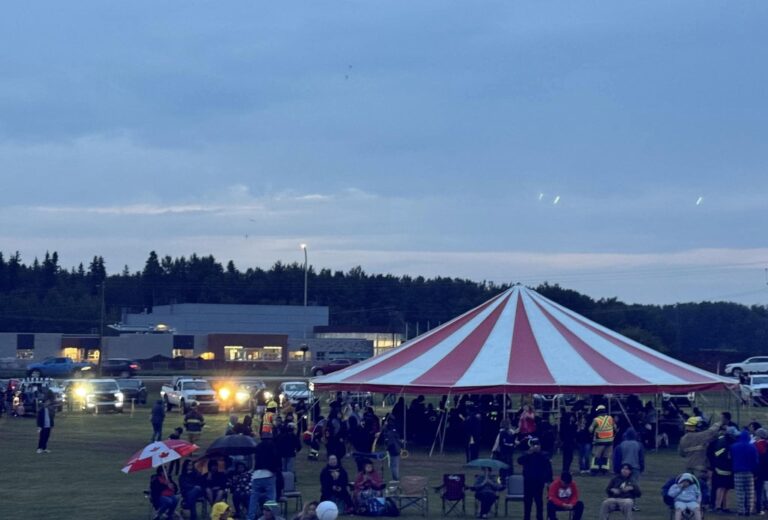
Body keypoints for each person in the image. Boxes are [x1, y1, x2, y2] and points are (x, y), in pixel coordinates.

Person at [248, 430, 282, 520]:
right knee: (271, 499)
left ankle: (250, 517)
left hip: (256, 475)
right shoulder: (272, 446)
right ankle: (271, 517)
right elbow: (276, 460)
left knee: (253, 499)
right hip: (268, 475)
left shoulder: (258, 447)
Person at [517, 438, 552, 520]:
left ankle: (540, 518)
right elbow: (519, 461)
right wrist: (529, 453)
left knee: (539, 501)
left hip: (539, 482)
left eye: (537, 445)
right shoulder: (526, 454)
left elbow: (548, 468)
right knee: (527, 502)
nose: (536, 447)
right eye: (534, 445)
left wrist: (549, 480)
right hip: (528, 481)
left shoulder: (544, 455)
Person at [731, 428, 758, 516]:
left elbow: (731, 458)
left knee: (740, 492)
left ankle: (741, 510)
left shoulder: (734, 446)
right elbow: (756, 460)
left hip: (738, 472)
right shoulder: (752, 447)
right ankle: (749, 510)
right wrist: (755, 471)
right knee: (750, 492)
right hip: (749, 472)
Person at [589, 405, 615, 474]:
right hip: (609, 441)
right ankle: (605, 470)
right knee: (606, 456)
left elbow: (590, 429)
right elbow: (615, 427)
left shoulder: (596, 420)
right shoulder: (610, 418)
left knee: (596, 456)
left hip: (599, 441)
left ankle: (594, 470)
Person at [754, 428, 768, 515]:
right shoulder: (766, 445)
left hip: (758, 471)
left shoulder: (756, 445)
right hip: (766, 471)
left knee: (758, 491)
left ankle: (758, 508)